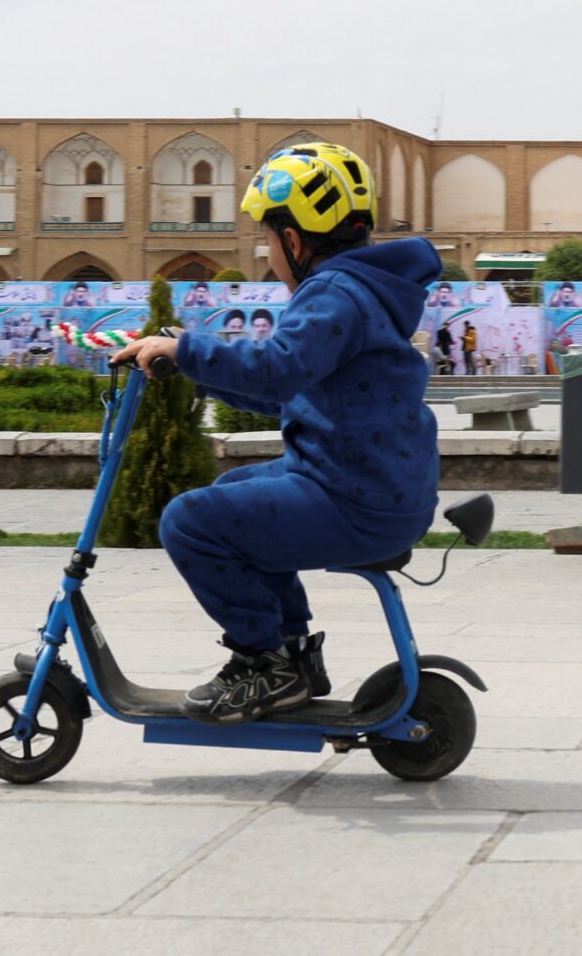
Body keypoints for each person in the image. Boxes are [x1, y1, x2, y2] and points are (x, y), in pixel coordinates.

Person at [113, 142, 440, 726]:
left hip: (354, 497)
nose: (269, 254)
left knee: (189, 521)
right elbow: (291, 391)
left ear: (294, 240)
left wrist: (187, 350)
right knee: (233, 494)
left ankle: (264, 661)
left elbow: (278, 369)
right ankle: (289, 654)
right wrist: (191, 367)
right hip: (367, 485)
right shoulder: (360, 288)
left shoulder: (334, 292)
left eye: (268, 239)